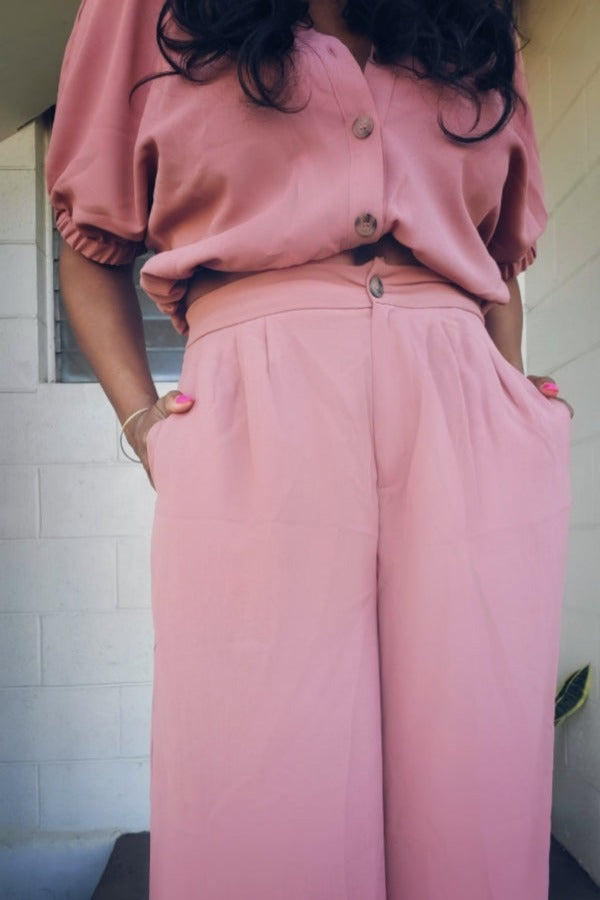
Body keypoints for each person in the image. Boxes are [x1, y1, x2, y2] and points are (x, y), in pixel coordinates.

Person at [46, 1, 574, 897]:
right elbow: (90, 246)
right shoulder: (145, 11)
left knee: (475, 793)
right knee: (260, 798)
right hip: (257, 414)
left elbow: (495, 263)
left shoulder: (475, 23)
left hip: (466, 425)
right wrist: (149, 432)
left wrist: (511, 399)